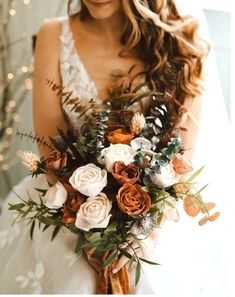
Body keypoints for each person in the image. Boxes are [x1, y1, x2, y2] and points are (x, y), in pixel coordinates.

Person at [0, 0, 209, 294]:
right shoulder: (52, 35)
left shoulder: (182, 40)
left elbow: (180, 159)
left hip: (152, 219)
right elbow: (50, 150)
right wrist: (93, 226)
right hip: (68, 206)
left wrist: (134, 234)